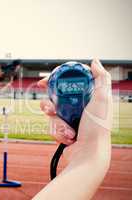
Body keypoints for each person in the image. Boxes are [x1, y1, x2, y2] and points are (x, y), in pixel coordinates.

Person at [34, 59, 112, 200]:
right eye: (68, 85)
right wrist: (89, 155)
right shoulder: (82, 78)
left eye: (75, 85)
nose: (72, 87)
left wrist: (88, 154)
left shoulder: (58, 81)